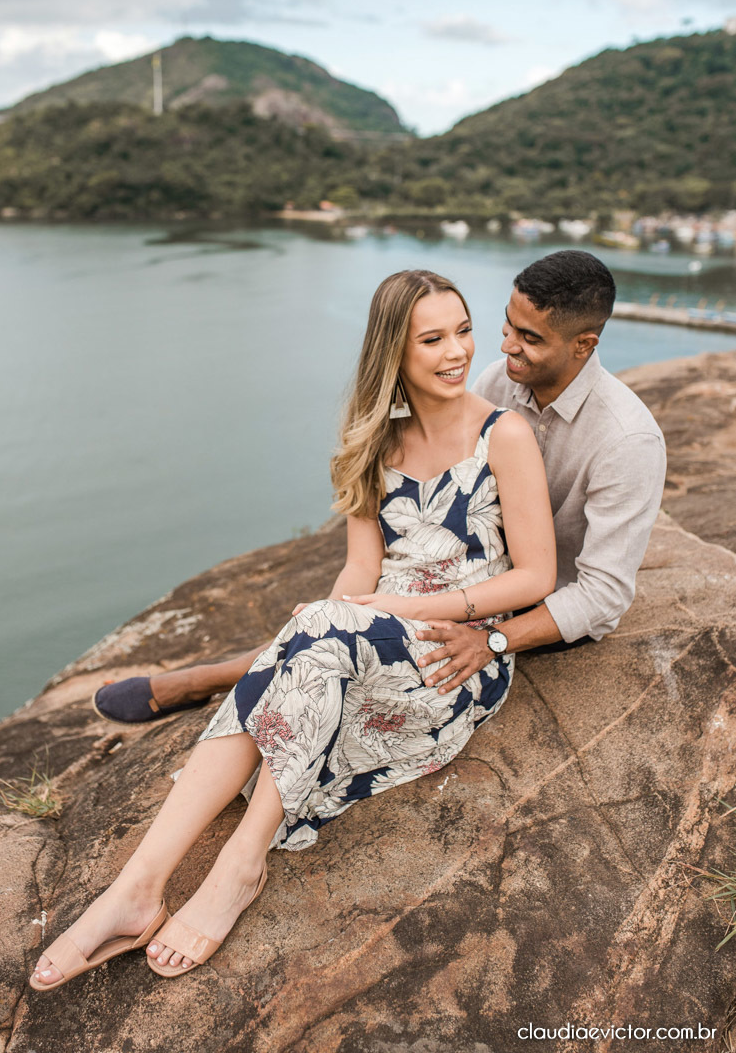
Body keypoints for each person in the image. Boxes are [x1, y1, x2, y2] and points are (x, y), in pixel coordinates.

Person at [31, 268, 555, 989]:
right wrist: (327, 617)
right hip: (364, 631)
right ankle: (135, 888)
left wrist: (388, 613)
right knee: (306, 641)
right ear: (393, 353)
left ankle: (241, 865)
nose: (456, 351)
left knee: (318, 640)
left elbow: (533, 579)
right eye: (431, 338)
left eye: (462, 331)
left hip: (453, 652)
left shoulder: (505, 434)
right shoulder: (373, 441)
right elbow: (359, 568)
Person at [93, 249, 666, 721]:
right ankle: (208, 681)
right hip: (475, 572)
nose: (504, 347)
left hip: (536, 605)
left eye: (530, 339)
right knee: (339, 619)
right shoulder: (498, 380)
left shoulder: (626, 440)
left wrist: (494, 640)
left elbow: (604, 595)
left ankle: (203, 680)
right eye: (507, 327)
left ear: (584, 345)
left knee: (352, 640)